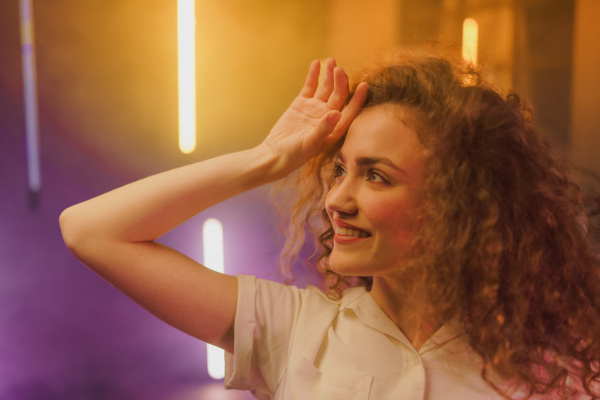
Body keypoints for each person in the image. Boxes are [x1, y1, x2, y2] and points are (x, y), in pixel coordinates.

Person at [60, 53, 600, 399]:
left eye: (377, 177)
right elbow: (91, 231)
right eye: (339, 169)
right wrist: (267, 158)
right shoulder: (292, 329)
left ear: (460, 204)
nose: (337, 199)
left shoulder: (552, 370)